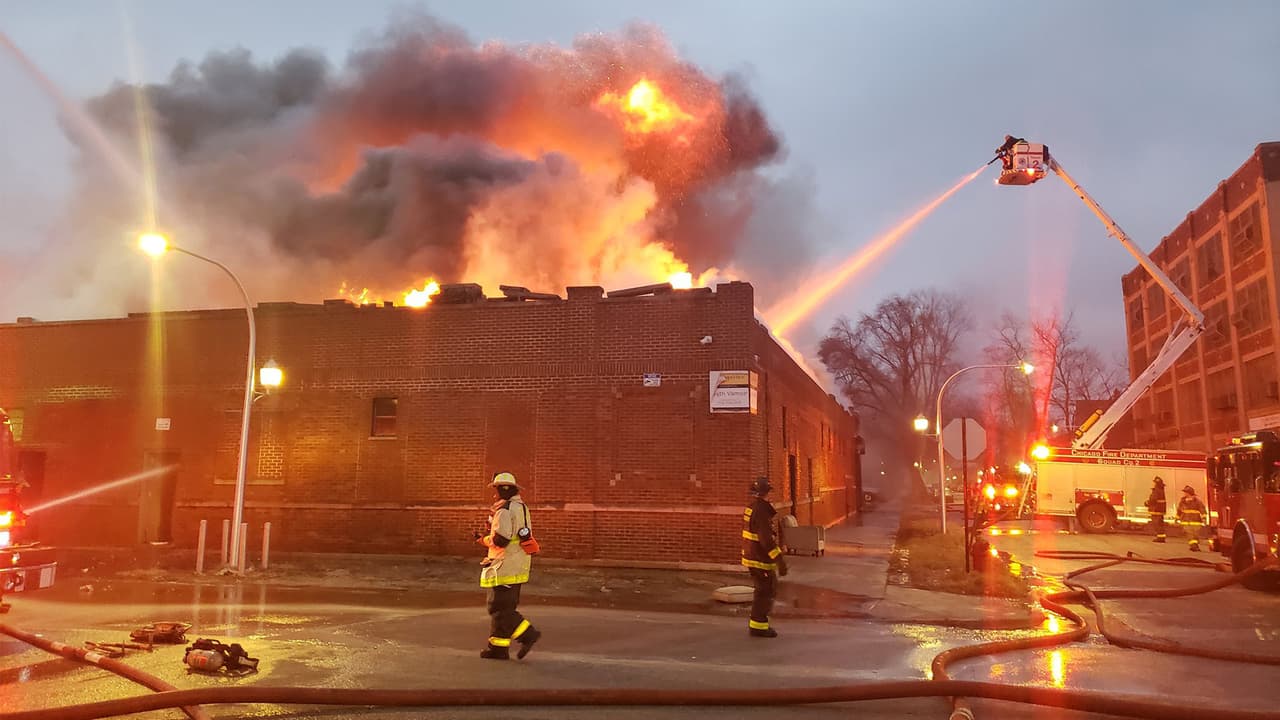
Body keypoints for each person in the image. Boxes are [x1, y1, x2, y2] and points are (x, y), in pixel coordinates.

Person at [475, 471, 541, 659]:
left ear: (502, 490)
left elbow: (501, 540)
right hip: (518, 564)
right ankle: (498, 648)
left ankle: (528, 634)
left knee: (498, 608)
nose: (494, 494)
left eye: (496, 489)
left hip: (504, 566)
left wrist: (483, 540)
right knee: (504, 608)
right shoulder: (521, 507)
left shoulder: (503, 510)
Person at [741, 476, 788, 638]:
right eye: (768, 492)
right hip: (760, 558)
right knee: (766, 591)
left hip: (753, 555)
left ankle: (758, 624)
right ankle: (759, 626)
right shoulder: (761, 510)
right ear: (765, 492)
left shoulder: (753, 507)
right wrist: (779, 560)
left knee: (762, 590)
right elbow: (766, 540)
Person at [1176, 484, 1207, 552]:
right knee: (1190, 534)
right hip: (1186, 521)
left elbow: (1202, 510)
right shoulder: (1182, 501)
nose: (1184, 493)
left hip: (1196, 521)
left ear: (1189, 493)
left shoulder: (1197, 501)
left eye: (1185, 492)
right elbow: (1179, 510)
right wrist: (1177, 518)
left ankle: (1195, 545)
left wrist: (1204, 518)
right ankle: (1194, 546)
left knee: (1195, 535)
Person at [1145, 476, 1168, 543]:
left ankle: (1160, 538)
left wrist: (1147, 503)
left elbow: (1153, 500)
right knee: (1160, 524)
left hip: (1156, 510)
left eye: (1154, 482)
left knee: (1156, 524)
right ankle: (1161, 537)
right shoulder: (1161, 490)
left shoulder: (1156, 490)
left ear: (1156, 483)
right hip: (1160, 510)